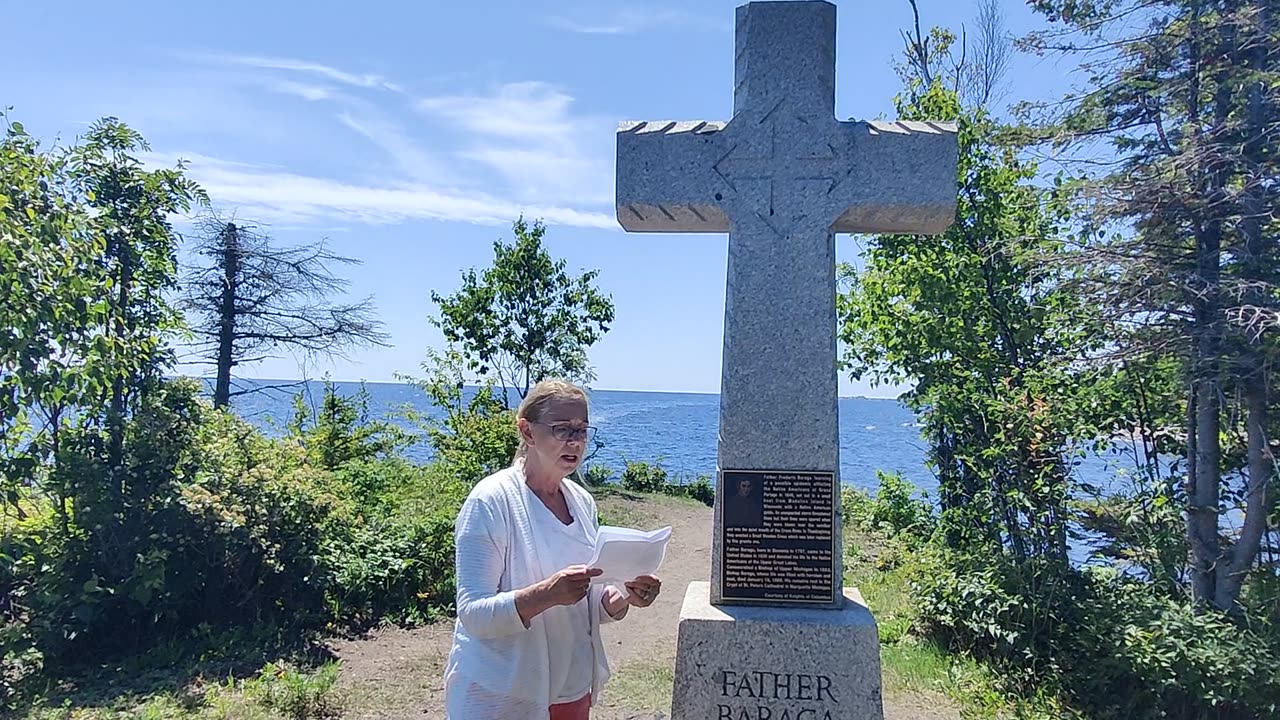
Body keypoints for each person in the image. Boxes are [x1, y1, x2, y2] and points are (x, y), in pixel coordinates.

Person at [443, 378, 663, 719]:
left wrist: (627, 595)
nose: (575, 441)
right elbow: (473, 614)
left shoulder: (581, 502)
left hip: (573, 690)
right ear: (528, 433)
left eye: (582, 430)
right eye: (562, 429)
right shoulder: (490, 501)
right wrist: (547, 594)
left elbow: (589, 605)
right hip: (504, 697)